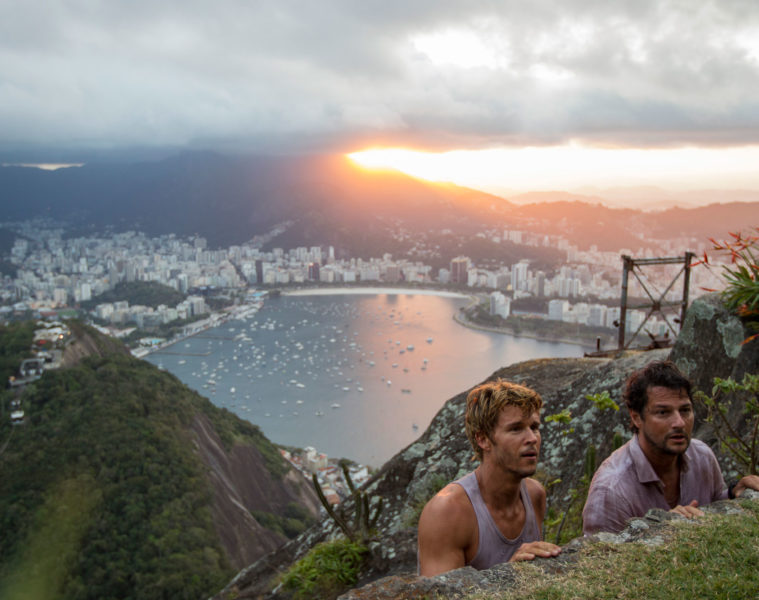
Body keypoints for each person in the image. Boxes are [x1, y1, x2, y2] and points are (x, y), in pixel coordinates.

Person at [583, 360, 759, 535]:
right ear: (636, 418)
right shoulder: (611, 491)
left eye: (685, 410)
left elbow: (714, 505)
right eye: (663, 412)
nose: (679, 423)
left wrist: (735, 493)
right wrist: (661, 530)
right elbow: (601, 552)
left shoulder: (702, 456)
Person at [417, 380, 561, 576]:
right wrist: (509, 573)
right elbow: (440, 592)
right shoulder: (447, 512)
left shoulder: (535, 495)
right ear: (483, 439)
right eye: (516, 429)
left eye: (534, 427)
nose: (532, 438)